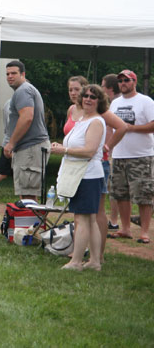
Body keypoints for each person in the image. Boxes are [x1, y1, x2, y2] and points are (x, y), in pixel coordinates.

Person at [50, 85, 108, 271]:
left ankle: (76, 261)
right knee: (88, 219)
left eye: (93, 96)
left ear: (100, 101)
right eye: (86, 96)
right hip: (80, 174)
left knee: (83, 219)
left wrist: (63, 150)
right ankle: (94, 261)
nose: (88, 99)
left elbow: (90, 151)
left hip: (88, 175)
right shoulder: (83, 119)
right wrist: (61, 146)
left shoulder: (97, 122)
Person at [107, 69, 154, 244]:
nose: (123, 83)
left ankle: (144, 232)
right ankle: (125, 229)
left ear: (134, 82)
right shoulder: (115, 103)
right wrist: (108, 147)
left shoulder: (145, 101)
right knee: (120, 193)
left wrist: (131, 128)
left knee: (143, 194)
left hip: (141, 155)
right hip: (119, 155)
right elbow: (111, 126)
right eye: (120, 81)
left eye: (127, 80)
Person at [4, 60, 50, 201]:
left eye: (14, 73)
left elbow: (27, 118)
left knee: (29, 193)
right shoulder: (23, 90)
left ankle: (30, 222)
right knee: (26, 192)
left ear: (23, 74)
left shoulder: (24, 90)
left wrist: (11, 143)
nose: (10, 76)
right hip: (28, 148)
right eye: (7, 74)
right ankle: (29, 222)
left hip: (31, 147)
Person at [101, 73, 122, 230]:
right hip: (115, 150)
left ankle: (114, 221)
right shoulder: (114, 104)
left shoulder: (113, 106)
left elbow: (112, 129)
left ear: (109, 88)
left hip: (114, 151)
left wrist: (107, 146)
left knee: (113, 187)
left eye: (102, 86)